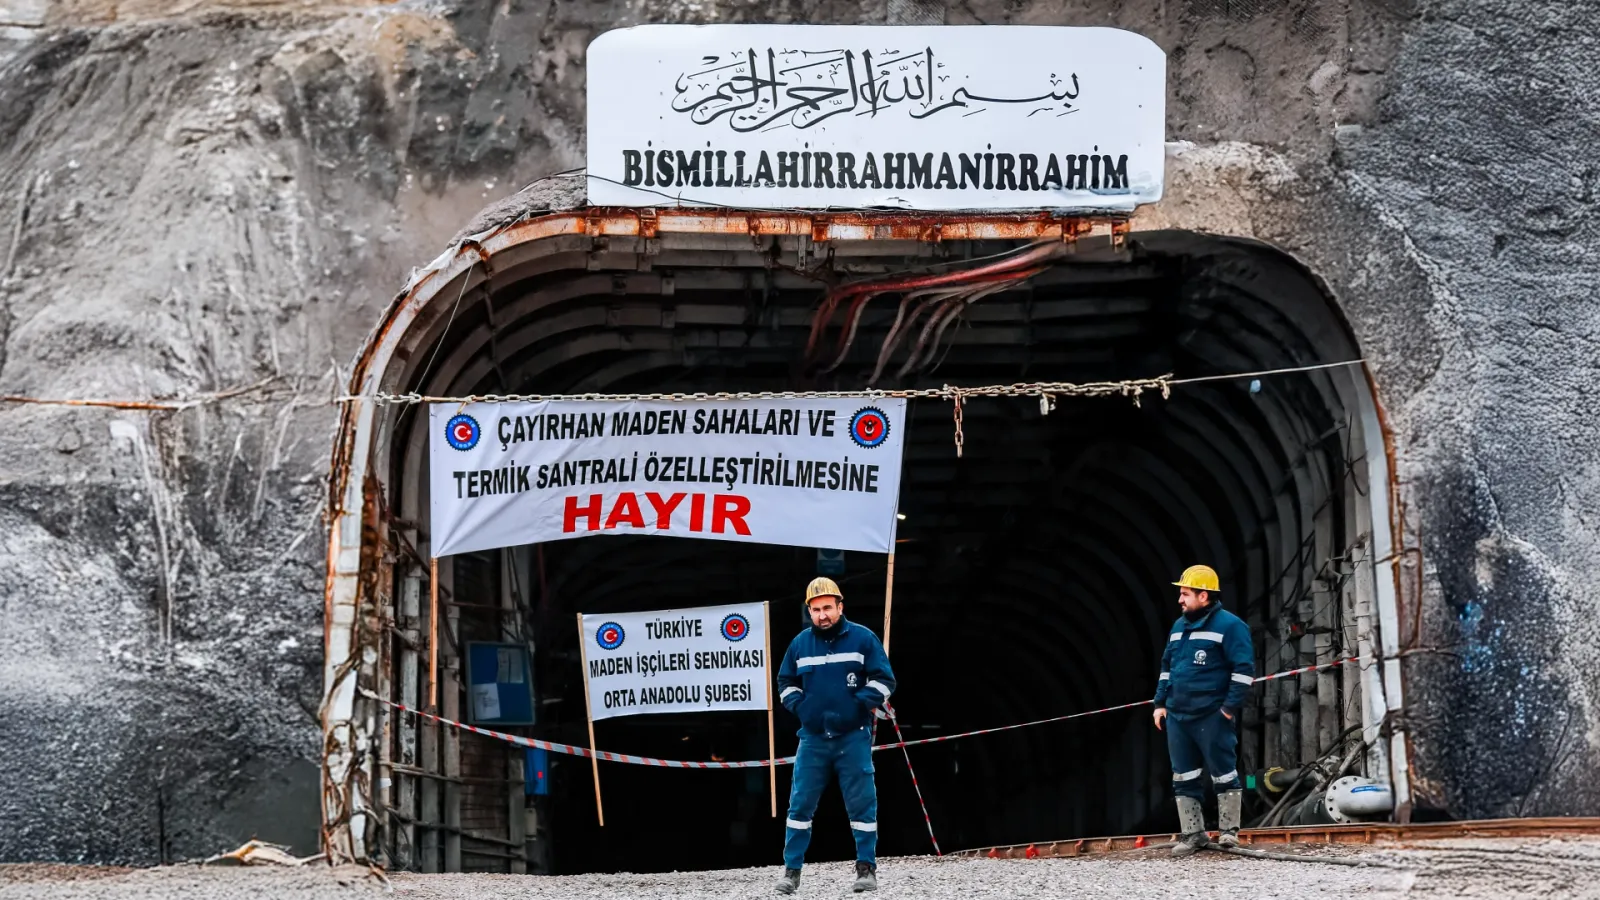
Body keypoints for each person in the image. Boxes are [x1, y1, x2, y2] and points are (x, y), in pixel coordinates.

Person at [772, 576, 896, 894]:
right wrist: (803, 709)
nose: (822, 615)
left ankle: (866, 869)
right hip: (813, 739)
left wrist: (859, 706)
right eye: (816, 609)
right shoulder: (799, 644)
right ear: (809, 611)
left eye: (828, 607)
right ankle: (791, 872)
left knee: (862, 806)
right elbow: (785, 683)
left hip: (853, 737)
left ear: (840, 607)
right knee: (799, 807)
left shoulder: (863, 639)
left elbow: (885, 680)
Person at [1151, 565, 1255, 857]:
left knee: (1223, 773)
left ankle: (1229, 833)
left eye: (1185, 594)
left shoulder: (1231, 627)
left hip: (1212, 714)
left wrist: (1227, 708)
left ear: (1204, 595)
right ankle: (1193, 835)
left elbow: (1243, 671)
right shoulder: (1178, 627)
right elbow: (1167, 668)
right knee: (1183, 776)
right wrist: (1160, 704)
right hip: (1177, 715)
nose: (1180, 600)